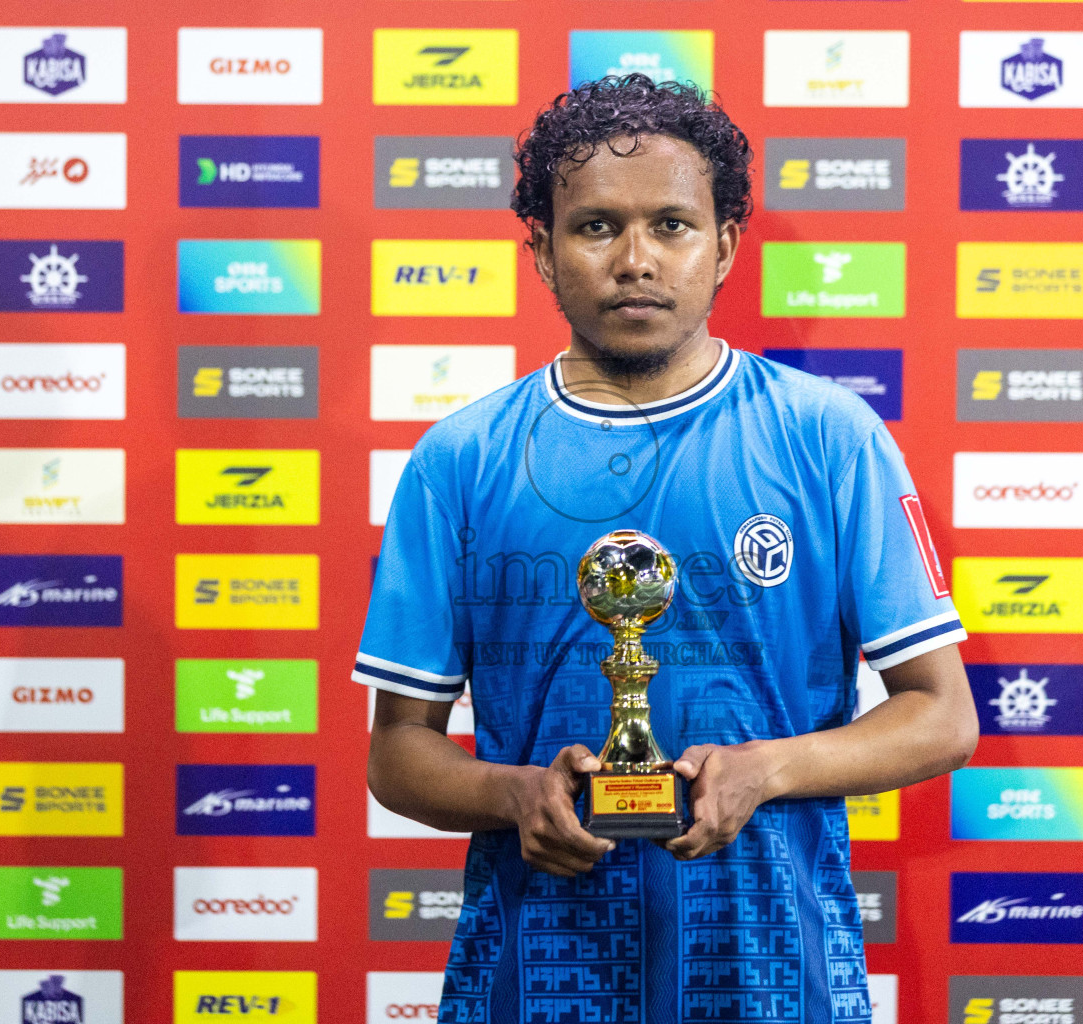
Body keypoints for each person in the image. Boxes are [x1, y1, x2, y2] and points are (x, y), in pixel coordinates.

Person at [359, 74, 978, 1023]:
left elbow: (942, 717)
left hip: (776, 977)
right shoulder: (462, 460)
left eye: (672, 226)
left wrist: (764, 769)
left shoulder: (828, 437)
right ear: (541, 249)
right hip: (533, 981)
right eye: (597, 225)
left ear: (724, 244)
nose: (635, 259)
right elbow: (399, 753)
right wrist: (516, 793)